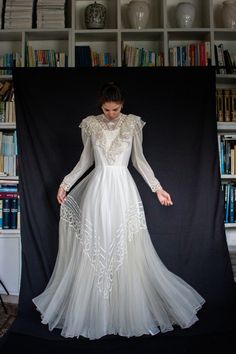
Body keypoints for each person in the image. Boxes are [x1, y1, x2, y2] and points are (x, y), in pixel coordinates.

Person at [33, 82, 205, 340]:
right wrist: (65, 184)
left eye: (115, 109)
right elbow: (85, 161)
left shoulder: (133, 123)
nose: (111, 113)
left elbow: (139, 160)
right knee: (95, 248)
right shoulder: (90, 124)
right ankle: (97, 314)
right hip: (98, 192)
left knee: (126, 249)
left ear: (122, 105)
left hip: (124, 191)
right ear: (100, 105)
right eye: (106, 109)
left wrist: (157, 188)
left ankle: (125, 313)